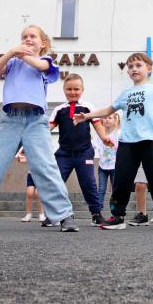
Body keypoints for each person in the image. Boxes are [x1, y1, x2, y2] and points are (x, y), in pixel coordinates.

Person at [0, 25, 78, 233]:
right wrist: (11, 52)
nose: (27, 39)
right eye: (24, 37)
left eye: (32, 36)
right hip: (11, 120)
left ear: (43, 43)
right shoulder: (12, 61)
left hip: (36, 121)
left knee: (45, 167)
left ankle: (64, 215)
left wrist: (23, 54)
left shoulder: (45, 61)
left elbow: (39, 65)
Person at [73, 52, 153, 230]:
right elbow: (108, 110)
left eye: (138, 65)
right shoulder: (125, 94)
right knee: (121, 180)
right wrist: (87, 116)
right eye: (130, 67)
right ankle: (117, 216)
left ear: (148, 68)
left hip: (150, 140)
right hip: (127, 142)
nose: (134, 69)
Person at [48, 74, 112, 226]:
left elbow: (97, 124)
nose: (73, 92)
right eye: (69, 89)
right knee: (56, 183)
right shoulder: (59, 109)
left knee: (88, 183)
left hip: (84, 153)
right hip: (64, 154)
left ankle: (96, 214)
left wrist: (104, 138)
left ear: (82, 90)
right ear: (64, 90)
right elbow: (48, 128)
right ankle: (55, 215)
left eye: (76, 89)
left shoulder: (87, 107)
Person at [93, 113, 120, 213]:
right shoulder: (99, 134)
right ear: (102, 121)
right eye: (105, 118)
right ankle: (98, 212)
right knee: (101, 189)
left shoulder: (118, 133)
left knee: (115, 190)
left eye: (110, 118)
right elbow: (92, 146)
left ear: (115, 121)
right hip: (102, 167)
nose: (107, 120)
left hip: (115, 167)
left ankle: (115, 212)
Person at [17, 149, 46, 223]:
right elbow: (21, 159)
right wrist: (20, 157)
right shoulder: (30, 149)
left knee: (37, 194)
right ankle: (28, 214)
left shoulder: (42, 150)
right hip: (31, 174)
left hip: (40, 174)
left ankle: (41, 215)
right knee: (29, 193)